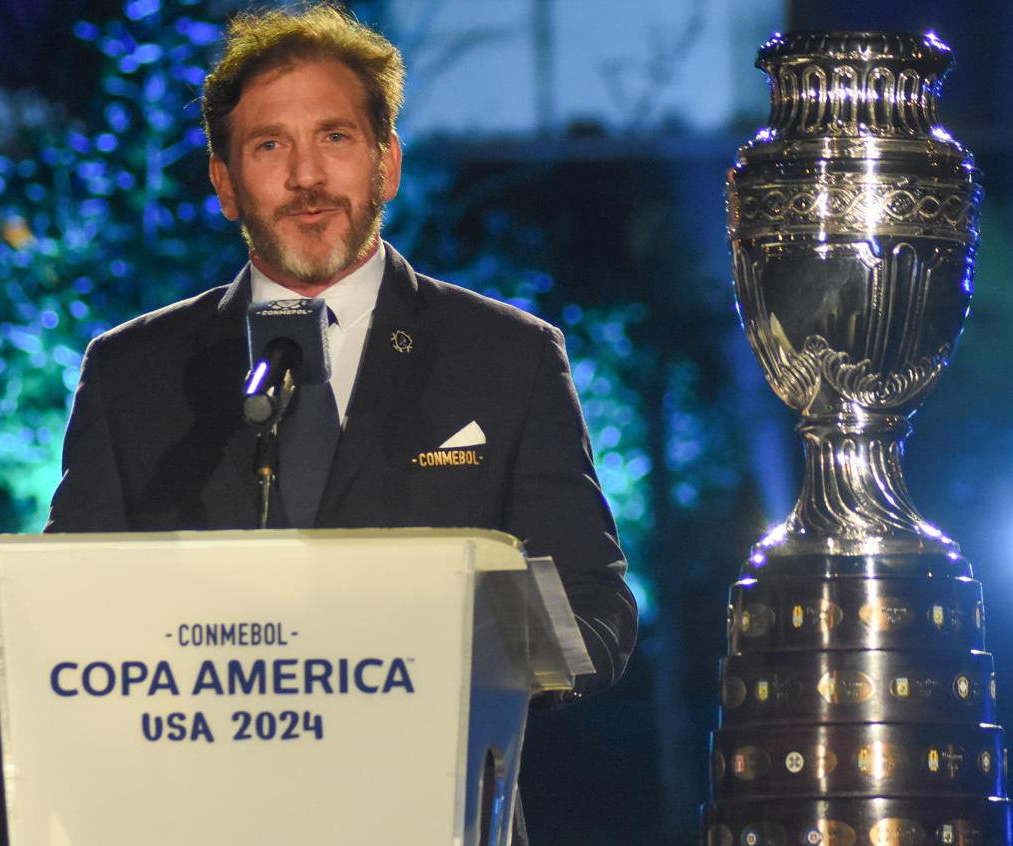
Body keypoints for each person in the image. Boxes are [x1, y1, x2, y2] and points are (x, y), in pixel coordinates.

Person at [43, 4, 637, 840]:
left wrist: (476, 652)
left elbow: (598, 607)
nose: (307, 177)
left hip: (435, 813)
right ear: (224, 185)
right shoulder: (132, 372)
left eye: (336, 138)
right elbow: (70, 613)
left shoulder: (508, 356)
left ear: (386, 164)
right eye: (269, 146)